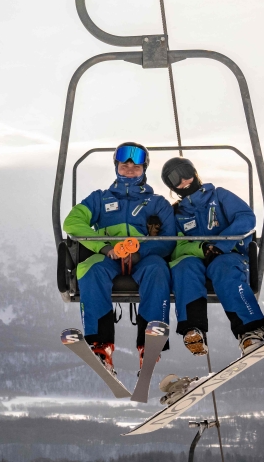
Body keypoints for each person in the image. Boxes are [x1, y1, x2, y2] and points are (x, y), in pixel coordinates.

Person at [63, 142, 176, 371]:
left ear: (144, 170)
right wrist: (104, 248)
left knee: (158, 270)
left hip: (145, 258)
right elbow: (72, 222)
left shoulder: (157, 203)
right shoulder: (101, 199)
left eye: (136, 168)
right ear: (116, 167)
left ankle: (150, 343)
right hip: (111, 256)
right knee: (92, 270)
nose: (130, 171)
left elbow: (168, 239)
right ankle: (100, 344)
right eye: (125, 166)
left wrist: (140, 252)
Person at [161, 157, 264, 357]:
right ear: (172, 187)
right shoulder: (177, 213)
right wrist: (203, 249)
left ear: (194, 173)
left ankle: (251, 330)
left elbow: (246, 218)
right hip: (196, 260)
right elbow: (177, 245)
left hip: (228, 255)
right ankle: (193, 330)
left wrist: (221, 245)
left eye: (186, 173)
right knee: (183, 267)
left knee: (224, 268)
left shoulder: (219, 196)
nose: (184, 181)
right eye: (176, 180)